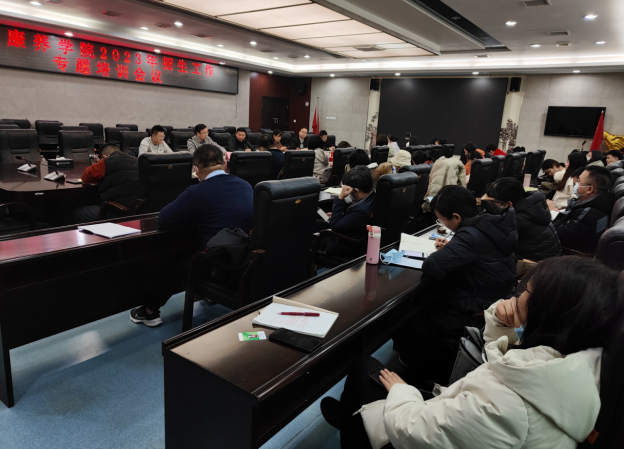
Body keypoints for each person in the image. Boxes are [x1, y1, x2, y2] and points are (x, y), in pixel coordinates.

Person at [322, 256, 620, 449]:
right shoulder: (574, 364)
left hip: (416, 428)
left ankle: (354, 427)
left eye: (525, 291)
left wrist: (403, 392)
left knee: (363, 367)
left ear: (547, 311)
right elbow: (504, 366)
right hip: (461, 420)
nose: (517, 294)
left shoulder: (505, 405)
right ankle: (352, 417)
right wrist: (501, 323)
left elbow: (410, 430)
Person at [393, 185, 517, 383]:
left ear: (457, 217)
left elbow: (432, 266)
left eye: (442, 220)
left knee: (412, 307)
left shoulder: (470, 234)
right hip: (495, 292)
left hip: (476, 302)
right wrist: (453, 248)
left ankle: (417, 367)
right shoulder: (492, 221)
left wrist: (451, 250)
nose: (442, 224)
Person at [129, 144, 253, 327]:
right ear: (225, 165)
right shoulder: (245, 185)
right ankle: (209, 296)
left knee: (173, 262)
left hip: (217, 264)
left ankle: (149, 312)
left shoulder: (197, 192)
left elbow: (164, 218)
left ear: (196, 169)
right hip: (245, 259)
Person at [484, 177, 561, 261]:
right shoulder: (532, 205)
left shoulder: (517, 219)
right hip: (550, 260)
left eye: (494, 202)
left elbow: (492, 241)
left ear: (508, 204)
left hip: (535, 264)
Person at [550, 165, 613, 254]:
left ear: (589, 189)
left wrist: (551, 211)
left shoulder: (589, 214)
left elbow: (555, 235)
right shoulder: (600, 203)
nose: (575, 183)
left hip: (565, 255)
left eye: (579, 181)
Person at [315, 166, 375, 258]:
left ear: (355, 191)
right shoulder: (372, 196)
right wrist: (338, 214)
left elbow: (335, 226)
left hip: (344, 245)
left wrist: (340, 198)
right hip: (350, 231)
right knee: (316, 222)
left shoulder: (362, 210)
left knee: (308, 233)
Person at [74, 143, 139, 223]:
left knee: (80, 213)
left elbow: (85, 178)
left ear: (105, 157)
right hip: (137, 210)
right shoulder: (136, 161)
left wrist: (99, 164)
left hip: (119, 211)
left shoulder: (106, 161)